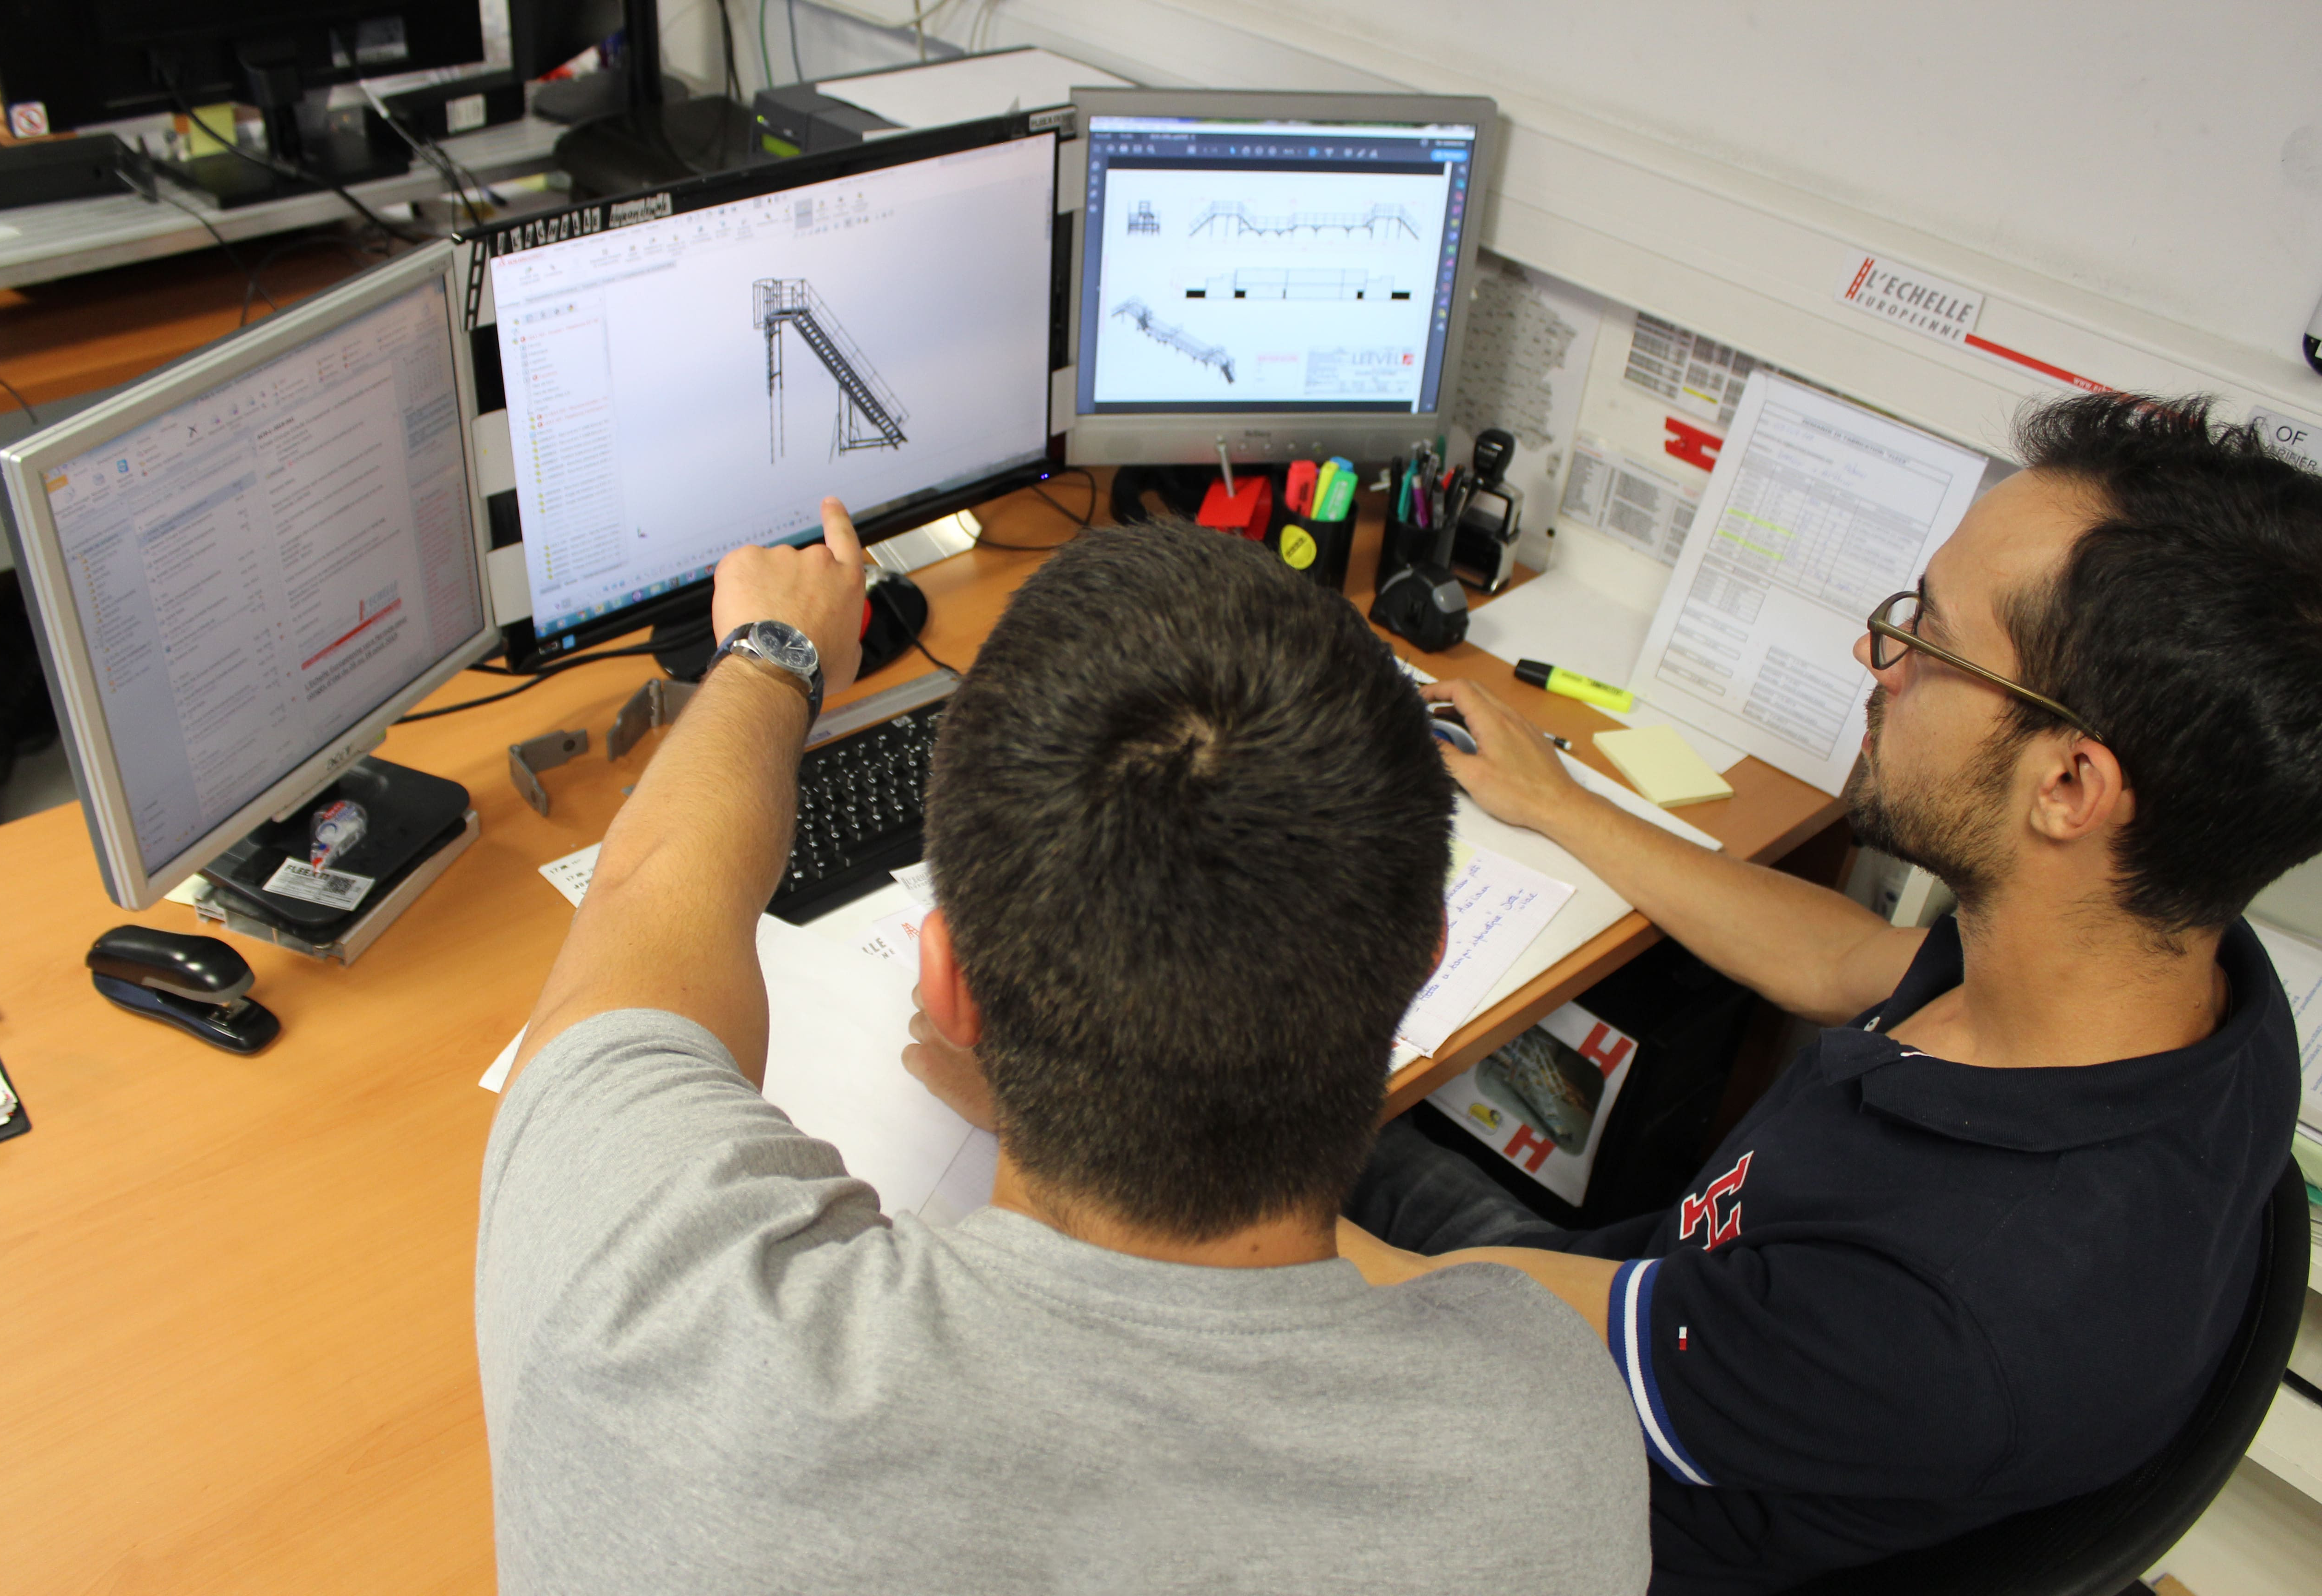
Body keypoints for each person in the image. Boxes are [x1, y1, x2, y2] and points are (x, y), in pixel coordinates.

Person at [477, 507, 1652, 1594]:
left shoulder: (650, 1320)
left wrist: (776, 653)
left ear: (951, 988)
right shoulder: (1556, 1449)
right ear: (1426, 953)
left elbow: (644, 906)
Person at [1343, 392, 2322, 1594]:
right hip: (1659, 1298)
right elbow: (1843, 960)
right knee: (1326, 1128)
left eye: (1931, 641)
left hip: (1566, 1493)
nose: (1877, 657)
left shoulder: (1948, 1310)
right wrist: (1563, 804)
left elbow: (1451, 1318)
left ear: (2072, 785)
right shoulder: (2163, 970)